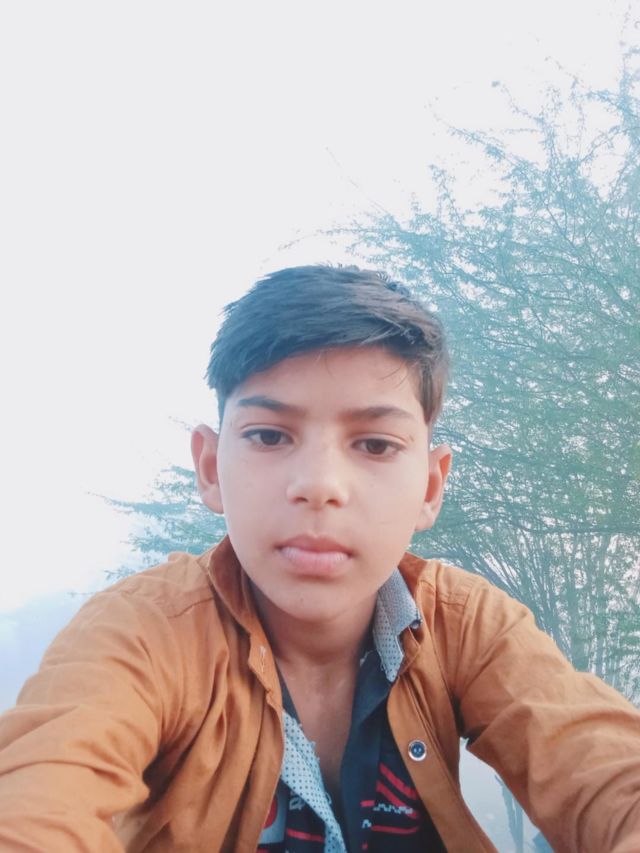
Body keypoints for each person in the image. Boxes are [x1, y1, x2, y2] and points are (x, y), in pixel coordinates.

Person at [0, 265, 638, 853]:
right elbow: (38, 803)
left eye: (375, 445)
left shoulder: (465, 625)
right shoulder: (144, 634)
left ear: (430, 487)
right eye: (269, 435)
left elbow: (606, 772)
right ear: (211, 467)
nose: (320, 485)